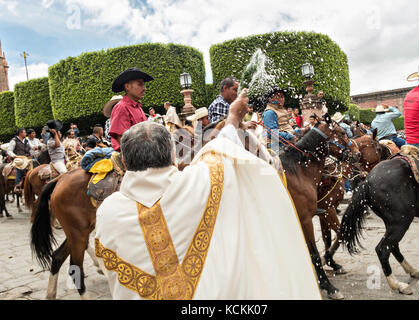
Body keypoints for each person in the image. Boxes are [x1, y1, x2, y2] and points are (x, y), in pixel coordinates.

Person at [95, 89, 322, 300]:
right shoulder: (200, 181)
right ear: (174, 155)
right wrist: (233, 117)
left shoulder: (107, 212)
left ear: (125, 161)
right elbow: (221, 151)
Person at [108, 68, 153, 152]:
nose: (144, 88)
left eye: (144, 85)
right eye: (140, 84)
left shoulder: (138, 107)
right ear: (127, 86)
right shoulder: (121, 107)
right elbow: (123, 141)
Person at [262, 87, 295, 153]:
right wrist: (291, 137)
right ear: (270, 99)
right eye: (278, 97)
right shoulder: (270, 112)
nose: (281, 99)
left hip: (285, 142)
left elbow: (285, 127)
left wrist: (299, 131)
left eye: (282, 97)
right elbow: (271, 134)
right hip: (274, 147)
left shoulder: (281, 110)